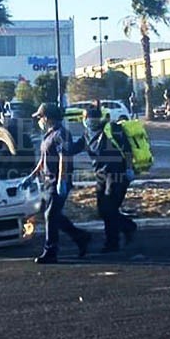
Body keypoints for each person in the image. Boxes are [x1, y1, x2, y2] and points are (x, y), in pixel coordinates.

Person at [21, 103, 91, 264]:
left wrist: (62, 181)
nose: (39, 120)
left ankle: (50, 251)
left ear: (47, 117)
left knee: (50, 216)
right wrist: (32, 176)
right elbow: (44, 159)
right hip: (47, 181)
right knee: (55, 216)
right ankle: (81, 237)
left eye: (40, 117)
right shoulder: (49, 135)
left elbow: (63, 158)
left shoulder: (61, 134)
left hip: (57, 181)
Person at [83, 105, 138, 253]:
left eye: (94, 118)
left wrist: (129, 169)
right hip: (100, 175)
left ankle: (112, 242)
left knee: (109, 209)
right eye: (89, 118)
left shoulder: (112, 129)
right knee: (103, 210)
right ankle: (127, 227)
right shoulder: (87, 133)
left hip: (117, 174)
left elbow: (127, 150)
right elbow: (73, 148)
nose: (91, 121)